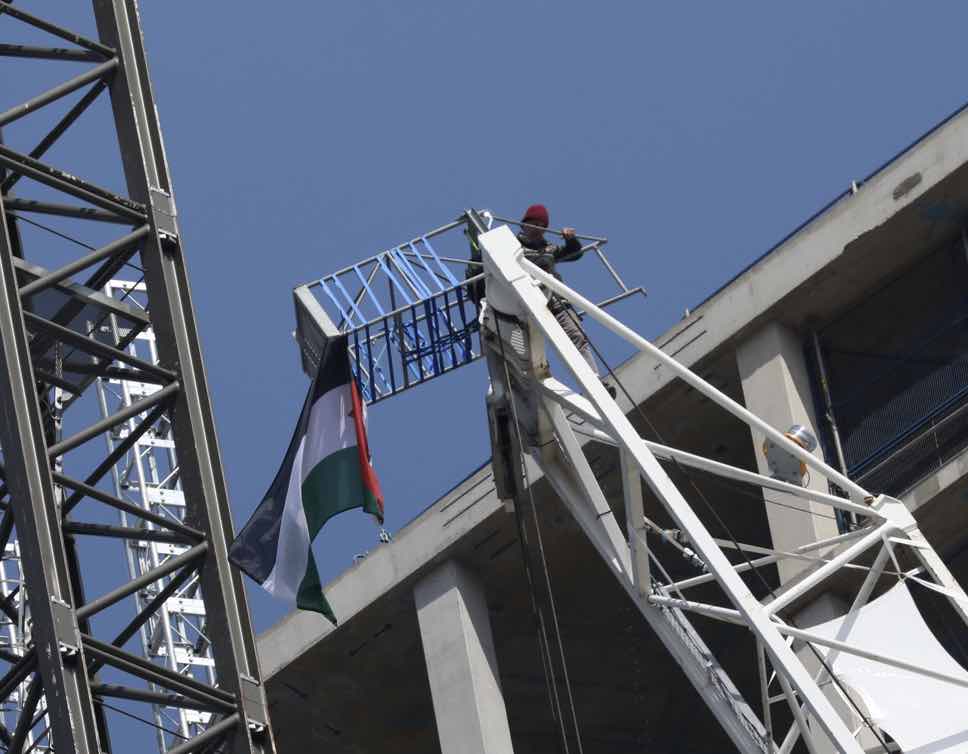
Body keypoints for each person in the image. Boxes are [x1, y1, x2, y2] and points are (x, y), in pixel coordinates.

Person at [516, 203, 601, 377]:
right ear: (524, 224)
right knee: (528, 354)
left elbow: (574, 253)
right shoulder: (511, 247)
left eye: (542, 226)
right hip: (528, 304)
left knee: (576, 337)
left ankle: (594, 379)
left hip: (556, 301)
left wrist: (571, 239)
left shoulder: (549, 249)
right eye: (534, 224)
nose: (538, 229)